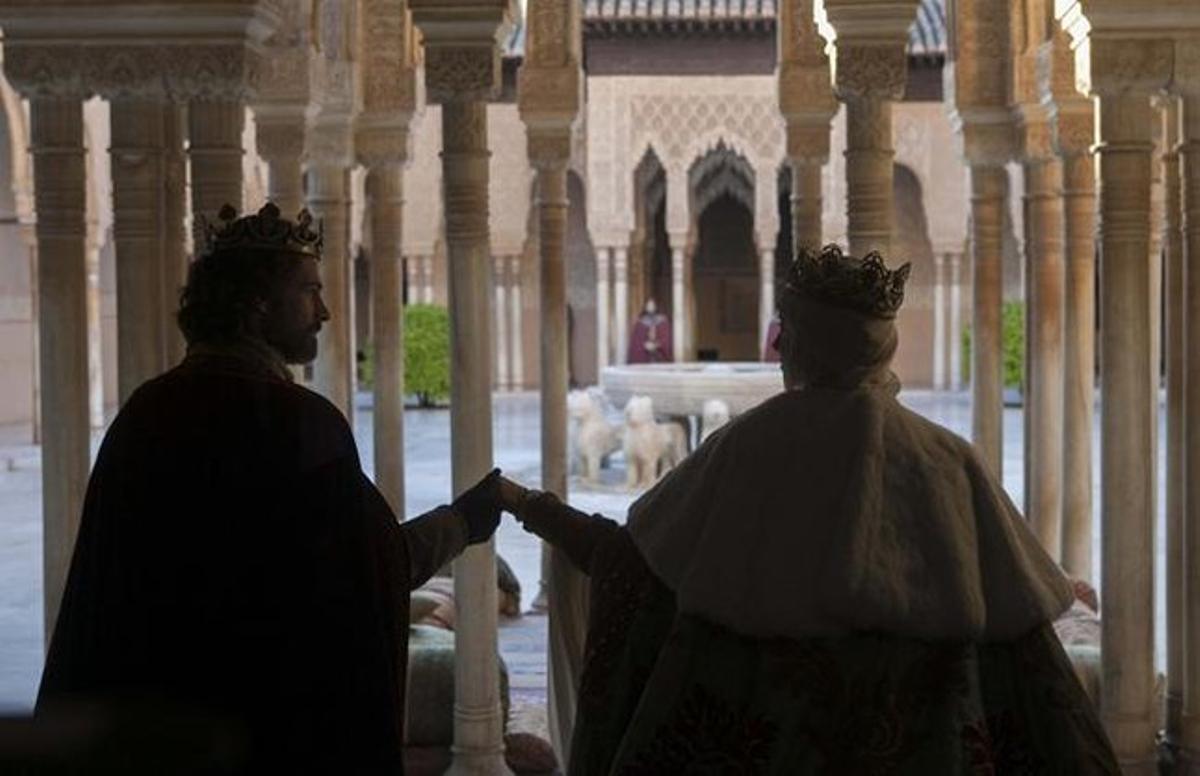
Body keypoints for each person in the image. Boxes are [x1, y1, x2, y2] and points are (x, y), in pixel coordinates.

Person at [499, 245, 1119, 774]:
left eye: (787, 331)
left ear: (811, 340)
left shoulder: (749, 447)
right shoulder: (951, 462)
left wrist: (529, 507)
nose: (778, 346)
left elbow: (636, 568)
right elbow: (1027, 654)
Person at [35, 202, 503, 774]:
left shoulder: (146, 411)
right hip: (261, 726)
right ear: (256, 305)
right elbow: (373, 566)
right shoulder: (296, 423)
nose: (326, 312)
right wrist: (462, 522)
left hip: (155, 723)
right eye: (308, 292)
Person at [626, 298, 672, 363]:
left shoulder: (663, 321)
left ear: (656, 306)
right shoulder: (640, 322)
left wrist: (657, 345)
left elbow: (667, 339)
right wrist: (643, 345)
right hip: (644, 357)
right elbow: (636, 341)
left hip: (660, 357)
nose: (650, 307)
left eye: (652, 305)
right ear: (645, 306)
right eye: (648, 305)